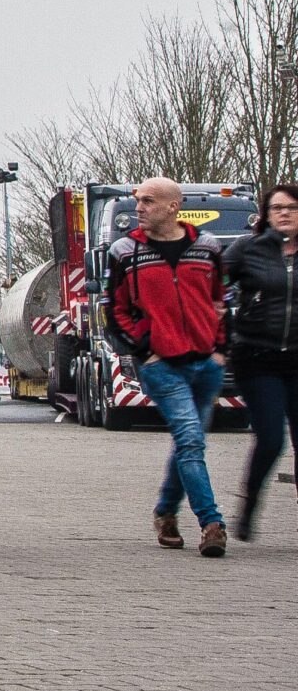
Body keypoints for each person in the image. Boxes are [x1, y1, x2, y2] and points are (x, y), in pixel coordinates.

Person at [106, 176, 230, 557]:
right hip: (162, 366)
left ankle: (165, 512)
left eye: (148, 201)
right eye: (138, 200)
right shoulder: (125, 251)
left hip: (205, 363)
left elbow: (219, 301)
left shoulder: (207, 247)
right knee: (191, 439)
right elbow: (116, 311)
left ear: (173, 206)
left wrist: (219, 348)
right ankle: (212, 524)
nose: (139, 208)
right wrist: (146, 350)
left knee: (187, 444)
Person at [224, 182, 298, 541]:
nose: (284, 213)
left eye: (292, 207)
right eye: (277, 208)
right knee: (271, 438)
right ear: (266, 215)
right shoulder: (247, 250)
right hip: (257, 356)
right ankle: (250, 501)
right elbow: (212, 288)